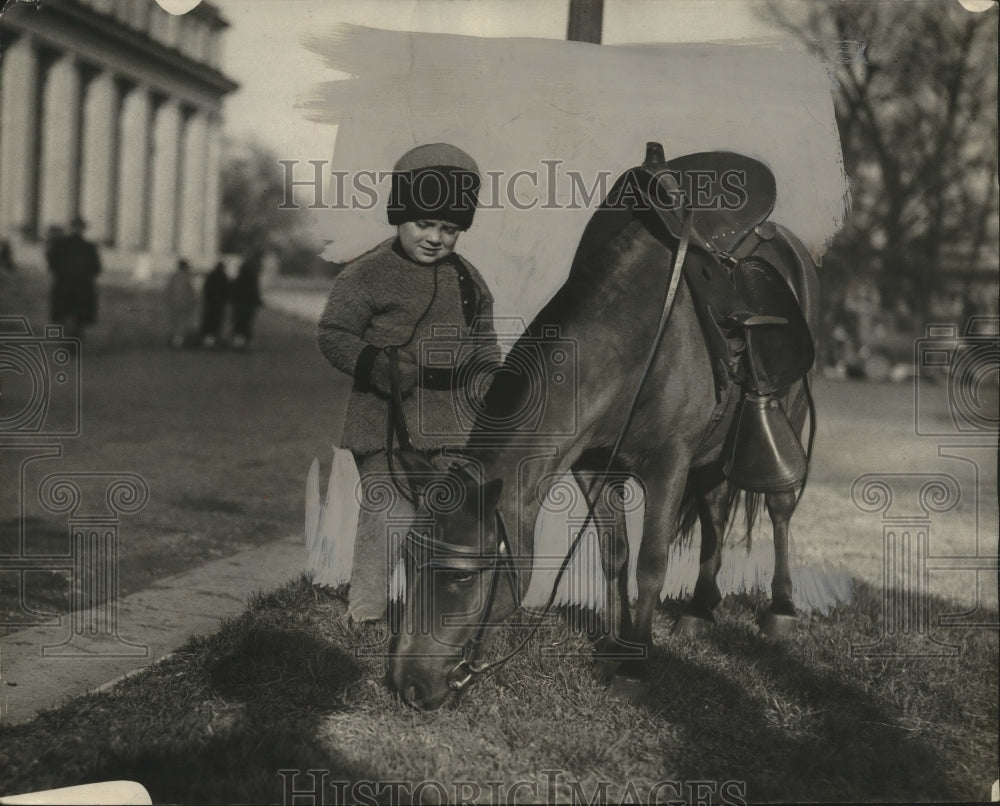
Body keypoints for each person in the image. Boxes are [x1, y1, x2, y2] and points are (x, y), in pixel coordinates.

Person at [316, 143, 500, 623]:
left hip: (454, 428)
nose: (436, 238)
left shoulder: (469, 281)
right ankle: (366, 613)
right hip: (383, 426)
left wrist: (493, 390)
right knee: (385, 518)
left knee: (446, 522)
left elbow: (485, 349)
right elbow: (333, 334)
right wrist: (376, 364)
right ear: (399, 215)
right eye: (424, 223)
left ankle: (431, 616)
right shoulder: (367, 273)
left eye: (450, 229)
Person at [48, 217, 101, 339]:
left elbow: (52, 264)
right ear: (83, 229)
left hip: (63, 285)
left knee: (63, 312)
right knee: (81, 315)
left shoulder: (60, 245)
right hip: (83, 286)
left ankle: (66, 337)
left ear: (71, 228)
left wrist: (62, 274)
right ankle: (76, 336)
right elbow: (97, 268)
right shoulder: (89, 247)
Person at [230, 252, 264, 349]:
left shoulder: (238, 280)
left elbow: (232, 291)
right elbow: (255, 292)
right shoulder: (252, 280)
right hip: (248, 306)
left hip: (239, 305)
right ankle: (244, 343)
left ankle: (237, 342)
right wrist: (258, 302)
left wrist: (232, 300)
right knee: (246, 324)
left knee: (238, 323)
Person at [165, 258, 198, 348]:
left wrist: (169, 301)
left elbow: (168, 291)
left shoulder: (173, 277)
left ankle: (174, 340)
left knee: (174, 322)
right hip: (184, 304)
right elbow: (191, 292)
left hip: (174, 303)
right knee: (181, 323)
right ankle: (178, 342)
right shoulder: (187, 277)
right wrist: (193, 302)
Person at [200, 261, 229, 347]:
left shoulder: (211, 276)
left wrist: (208, 298)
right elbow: (227, 291)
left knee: (209, 322)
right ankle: (213, 340)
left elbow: (206, 289)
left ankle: (207, 341)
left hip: (211, 303)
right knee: (216, 322)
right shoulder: (224, 277)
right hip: (219, 304)